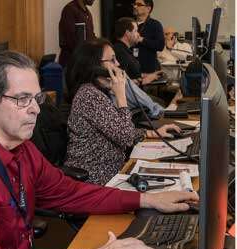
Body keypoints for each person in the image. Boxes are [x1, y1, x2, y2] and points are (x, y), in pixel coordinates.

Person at [0, 51, 199, 249]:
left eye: (37, 98)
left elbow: (69, 193)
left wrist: (146, 200)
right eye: (22, 99)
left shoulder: (22, 148)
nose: (36, 109)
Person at [65, 39, 181, 185]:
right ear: (95, 66)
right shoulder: (89, 95)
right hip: (96, 180)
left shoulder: (99, 92)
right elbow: (125, 137)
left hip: (113, 174)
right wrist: (121, 95)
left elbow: (120, 130)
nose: (118, 64)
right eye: (112, 59)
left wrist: (153, 133)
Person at [114, 17, 162, 85]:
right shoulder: (119, 51)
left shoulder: (126, 50)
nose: (138, 34)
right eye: (136, 31)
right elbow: (123, 82)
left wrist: (147, 75)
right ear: (127, 33)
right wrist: (143, 81)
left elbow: (132, 74)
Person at [58, 0, 96, 68]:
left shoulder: (87, 13)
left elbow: (91, 36)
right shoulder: (70, 9)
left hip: (82, 63)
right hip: (71, 64)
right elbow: (71, 40)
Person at [133, 0, 165, 73]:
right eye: (134, 4)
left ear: (148, 8)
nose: (135, 6)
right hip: (131, 69)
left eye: (139, 4)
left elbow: (160, 46)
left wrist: (142, 40)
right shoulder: (129, 23)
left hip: (149, 69)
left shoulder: (155, 25)